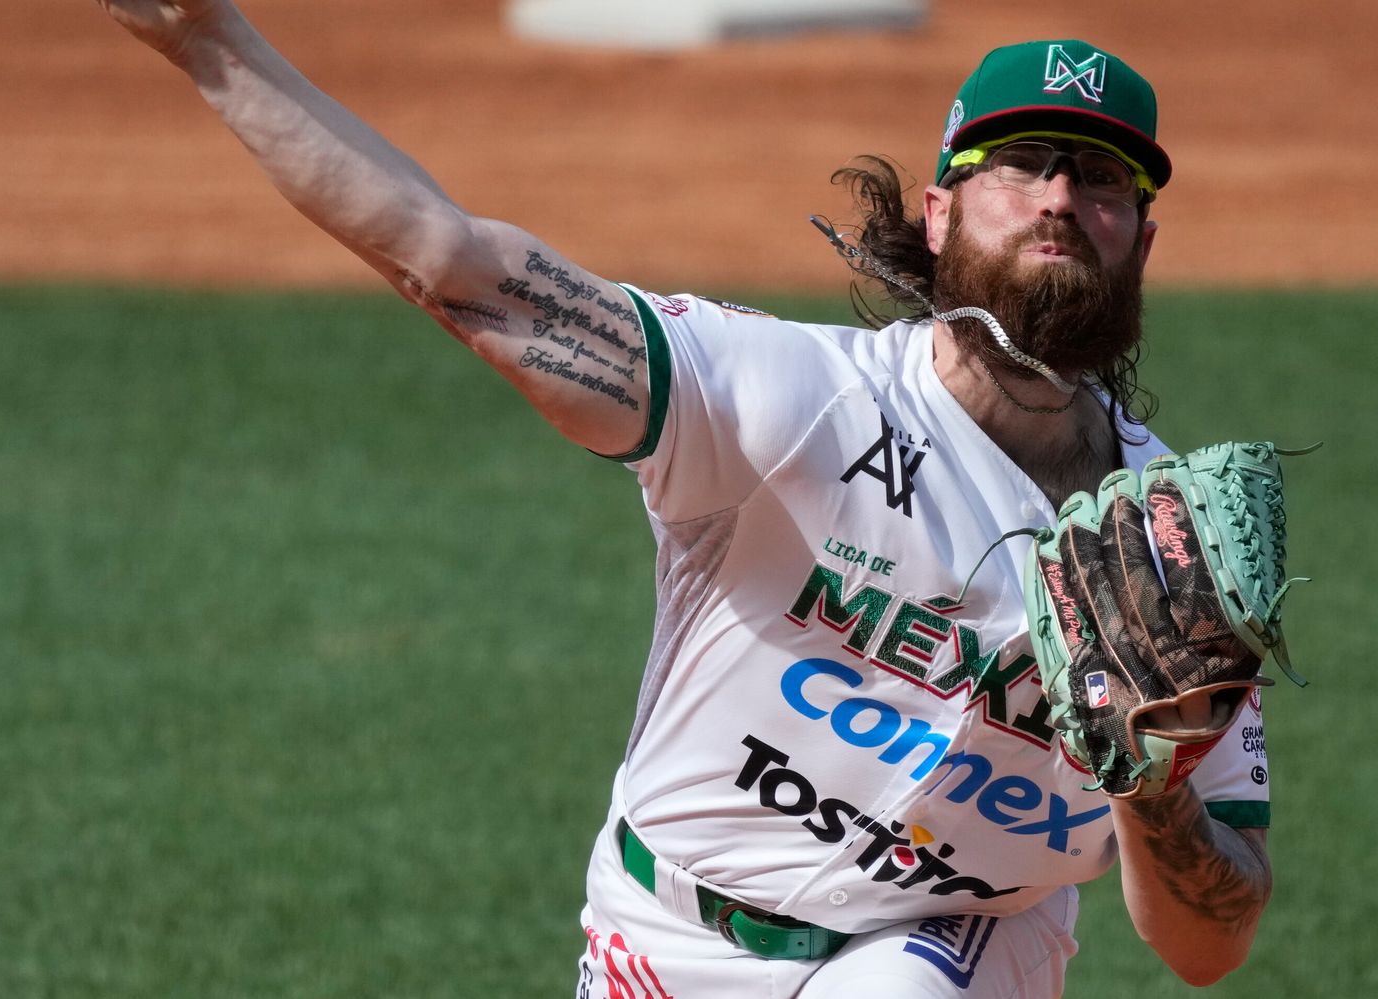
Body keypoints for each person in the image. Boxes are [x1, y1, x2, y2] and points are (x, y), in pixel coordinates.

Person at [96, 3, 1275, 994]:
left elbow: (1209, 943)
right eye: (1021, 165)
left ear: (1141, 237)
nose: (1062, 196)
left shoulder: (1174, 552)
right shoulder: (792, 398)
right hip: (660, 933)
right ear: (940, 212)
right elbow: (446, 257)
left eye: (1102, 177)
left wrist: (1149, 788)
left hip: (955, 945)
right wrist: (207, 38)